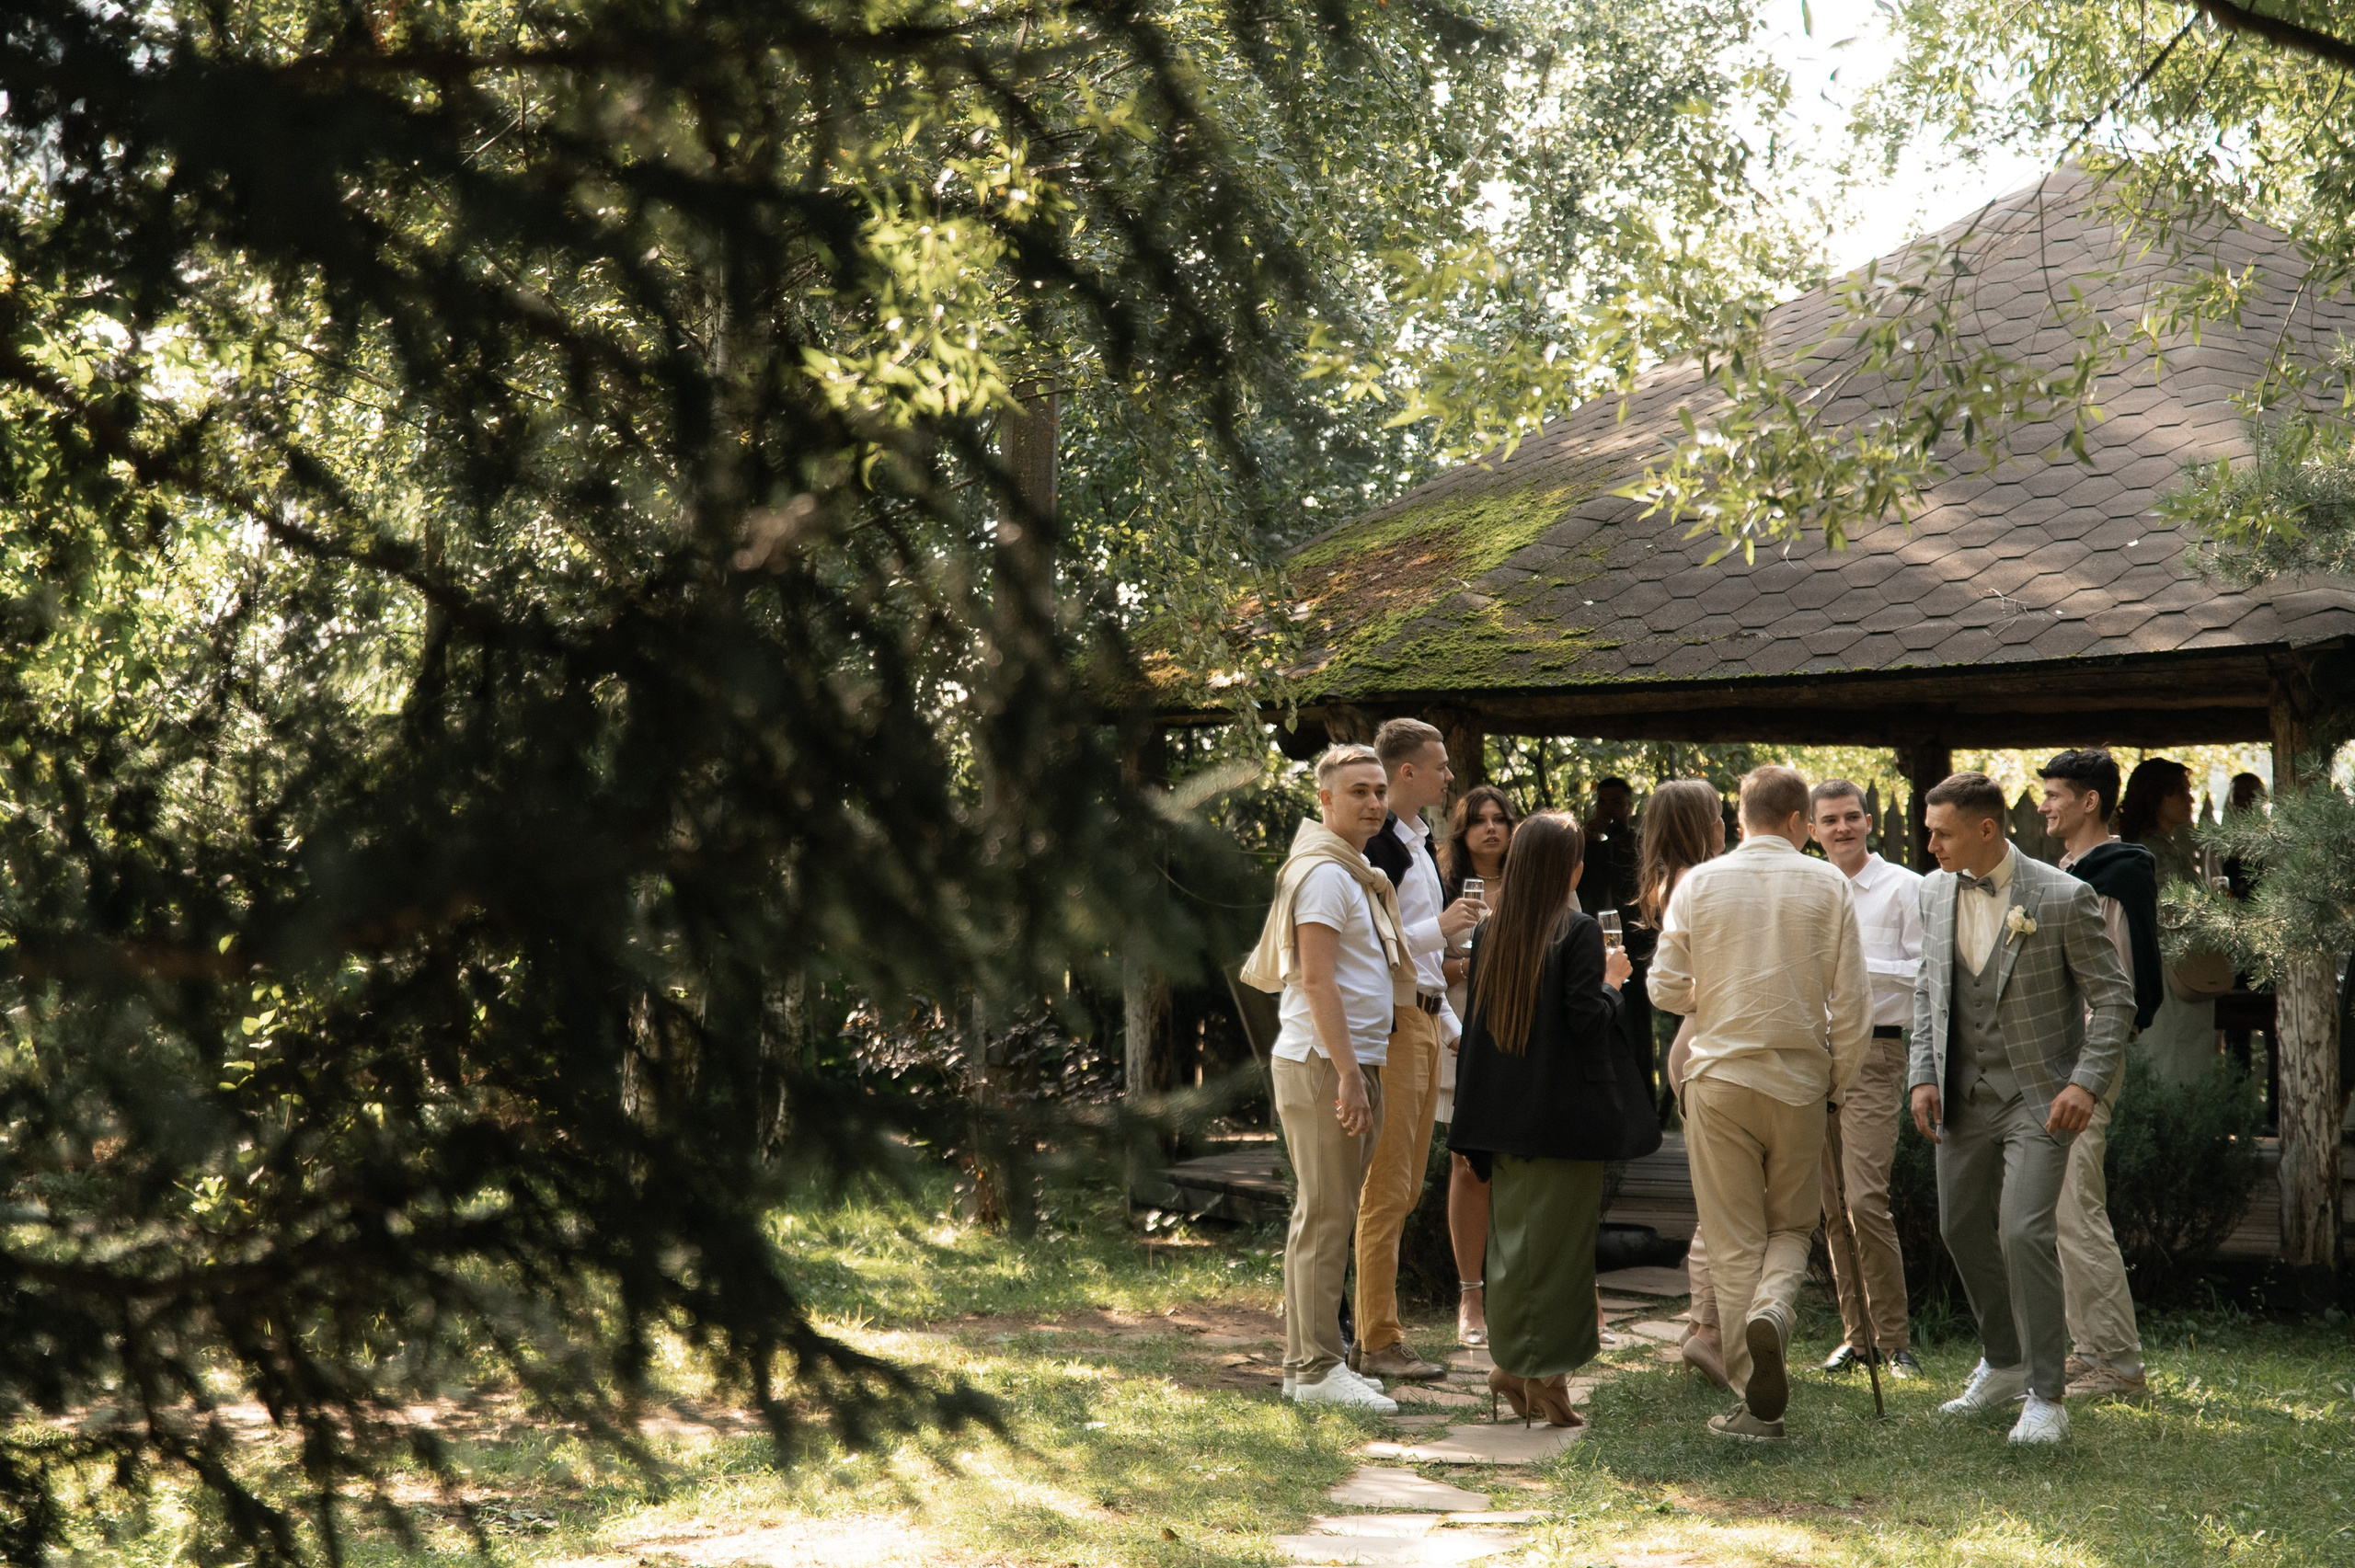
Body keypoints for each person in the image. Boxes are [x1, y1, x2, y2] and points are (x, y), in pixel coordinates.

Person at [1908, 771, 2133, 1446]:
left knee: (2024, 1232)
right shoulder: (1932, 892)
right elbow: (1928, 989)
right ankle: (2004, 1362)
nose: (1930, 845)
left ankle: (2045, 1395)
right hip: (1961, 1095)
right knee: (1958, 1226)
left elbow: (2114, 998)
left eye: (1942, 833)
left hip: (2040, 1098)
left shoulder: (2063, 895)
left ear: (1986, 829)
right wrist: (1922, 1075)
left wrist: (2084, 1083)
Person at [1649, 765, 1871, 1442]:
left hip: (1719, 1077)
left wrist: (1718, 990)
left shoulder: (1700, 882)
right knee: (1793, 1226)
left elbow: (1663, 987)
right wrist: (1837, 1082)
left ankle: (1756, 1402)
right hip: (1799, 1080)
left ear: (1739, 817)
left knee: (1733, 1237)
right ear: (1801, 820)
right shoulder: (1829, 882)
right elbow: (1854, 1004)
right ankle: (1773, 1307)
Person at [1450, 812, 1651, 1428]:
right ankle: (1547, 1379)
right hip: (1565, 1119)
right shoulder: (1577, 929)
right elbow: (1586, 1021)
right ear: (1572, 870)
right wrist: (1615, 984)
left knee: (1513, 1248)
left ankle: (1513, 1368)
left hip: (1502, 1116)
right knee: (1561, 1254)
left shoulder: (1492, 930)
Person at [1235, 743, 1408, 1413]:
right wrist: (1347, 1075)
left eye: (1379, 790)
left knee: (1328, 1212)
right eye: (1358, 791)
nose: (1373, 802)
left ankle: (1307, 1365)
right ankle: (1315, 1370)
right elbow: (1315, 980)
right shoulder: (1326, 876)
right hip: (1324, 1064)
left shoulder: (1352, 871)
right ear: (1326, 800)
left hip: (1348, 1060)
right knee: (1325, 1215)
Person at [1353, 719, 1480, 1380]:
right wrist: (1445, 925)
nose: (1449, 776)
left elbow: (1424, 965)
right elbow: (1372, 944)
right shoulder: (1378, 848)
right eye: (1440, 766)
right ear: (1408, 771)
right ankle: (1376, 1338)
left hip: (1427, 1021)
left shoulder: (1419, 843)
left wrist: (1453, 1027)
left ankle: (1376, 1331)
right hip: (1396, 1025)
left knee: (1403, 1187)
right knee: (1388, 1186)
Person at [2038, 748, 2159, 1405]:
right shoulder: (2069, 872)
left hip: (2085, 1063)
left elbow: (2115, 987)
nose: (2044, 805)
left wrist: (2083, 1072)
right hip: (2060, 1061)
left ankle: (2119, 1362)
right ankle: (2089, 1349)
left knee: (2078, 1207)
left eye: (2055, 794)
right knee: (2063, 1210)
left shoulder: (2115, 875)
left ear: (2090, 801)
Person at [1806, 780, 1924, 1380]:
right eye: (1830, 820)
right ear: (1811, 830)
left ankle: (1895, 1340)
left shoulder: (1905, 887)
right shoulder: (1809, 888)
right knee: (1832, 1206)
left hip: (1876, 1051)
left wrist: (1851, 963)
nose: (1842, 828)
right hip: (1812, 1056)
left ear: (1869, 821)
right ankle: (1858, 1340)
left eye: (1851, 816)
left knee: (1864, 1200)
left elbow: (1925, 971)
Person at [1635, 779, 1730, 1389]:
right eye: (1717, 814)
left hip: (1692, 1037)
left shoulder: (1670, 880)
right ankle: (1709, 1328)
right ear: (1703, 823)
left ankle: (1703, 1324)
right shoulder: (1701, 881)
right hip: (1706, 1035)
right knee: (1724, 1199)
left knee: (1715, 1194)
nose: (1725, 823)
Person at [1439, 784, 1518, 1347]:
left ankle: (1533, 1294)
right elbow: (1415, 960)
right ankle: (1470, 1297)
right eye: (1479, 820)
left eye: (1500, 819)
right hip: (1460, 1033)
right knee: (1468, 1164)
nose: (1491, 828)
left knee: (1529, 1165)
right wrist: (1469, 966)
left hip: (1522, 1037)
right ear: (1462, 831)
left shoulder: (1534, 880)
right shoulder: (1441, 885)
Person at [2118, 757, 2218, 1084]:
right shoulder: (2152, 851)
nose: (2191, 798)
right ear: (2156, 798)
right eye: (2181, 792)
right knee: (2173, 1062)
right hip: (2168, 971)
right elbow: (2169, 914)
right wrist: (2212, 909)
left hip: (2172, 968)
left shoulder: (2159, 846)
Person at [1582, 777, 1657, 1103]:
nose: (1608, 809)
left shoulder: (1641, 845)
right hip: (1592, 947)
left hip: (1637, 951)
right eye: (1603, 801)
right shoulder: (1584, 844)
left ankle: (1643, 1104)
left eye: (1616, 802)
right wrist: (1586, 838)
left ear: (1629, 807)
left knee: (1638, 1030)